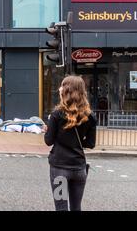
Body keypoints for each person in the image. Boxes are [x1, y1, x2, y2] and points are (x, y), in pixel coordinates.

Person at [43, 75, 97, 211]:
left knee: (61, 207)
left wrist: (50, 130)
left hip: (59, 168)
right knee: (76, 207)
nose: (59, 88)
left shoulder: (56, 114)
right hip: (79, 169)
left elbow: (48, 141)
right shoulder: (90, 116)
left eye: (62, 85)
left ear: (66, 90)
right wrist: (74, 142)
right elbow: (90, 143)